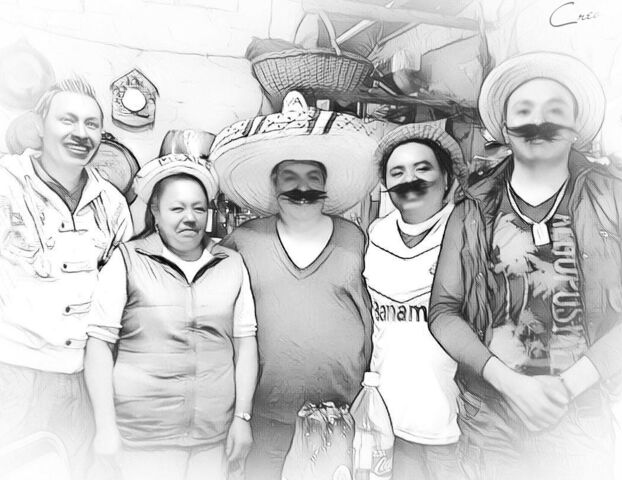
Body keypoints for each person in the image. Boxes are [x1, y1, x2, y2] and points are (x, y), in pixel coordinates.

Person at [429, 51, 622, 480]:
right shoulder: (471, 208)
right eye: (523, 111)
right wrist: (510, 384)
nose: (538, 123)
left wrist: (567, 387)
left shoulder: (618, 199)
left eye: (554, 111)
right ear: (505, 128)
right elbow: (443, 312)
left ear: (575, 126)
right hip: (491, 418)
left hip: (580, 417)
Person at [211, 92, 377, 480]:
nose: (303, 188)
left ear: (326, 186)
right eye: (290, 178)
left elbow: (373, 319)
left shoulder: (355, 239)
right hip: (264, 416)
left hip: (340, 416)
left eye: (313, 178)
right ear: (274, 185)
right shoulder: (243, 242)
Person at [83, 153, 258, 480]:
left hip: (213, 439)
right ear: (155, 212)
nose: (190, 218)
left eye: (199, 209)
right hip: (143, 439)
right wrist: (105, 427)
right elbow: (99, 345)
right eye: (177, 208)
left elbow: (245, 345)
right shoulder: (128, 260)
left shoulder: (230, 263)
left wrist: (242, 418)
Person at [0, 77, 132, 479]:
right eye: (67, 120)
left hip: (80, 380)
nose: (81, 133)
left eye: (92, 124)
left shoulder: (112, 204)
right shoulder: (7, 184)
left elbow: (117, 298)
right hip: (14, 371)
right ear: (40, 126)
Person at [364, 123, 466, 480]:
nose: (410, 180)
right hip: (386, 421)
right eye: (398, 172)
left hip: (453, 427)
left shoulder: (467, 233)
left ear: (447, 178)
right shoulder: (377, 234)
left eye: (423, 169)